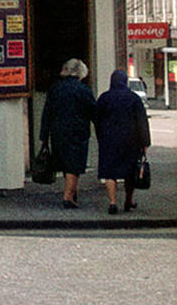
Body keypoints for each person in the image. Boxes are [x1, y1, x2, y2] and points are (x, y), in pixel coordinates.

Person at [39, 58, 97, 208]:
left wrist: (44, 136)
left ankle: (72, 191)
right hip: (77, 131)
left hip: (57, 131)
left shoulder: (55, 89)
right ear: (81, 72)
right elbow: (93, 111)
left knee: (65, 163)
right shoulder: (83, 90)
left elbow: (47, 113)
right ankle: (68, 197)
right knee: (74, 165)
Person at [95, 69, 151, 213]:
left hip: (109, 140)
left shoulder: (104, 98)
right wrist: (145, 143)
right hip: (130, 141)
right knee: (130, 172)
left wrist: (100, 136)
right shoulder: (133, 98)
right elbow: (142, 122)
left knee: (109, 172)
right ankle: (128, 201)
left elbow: (97, 120)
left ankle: (113, 203)